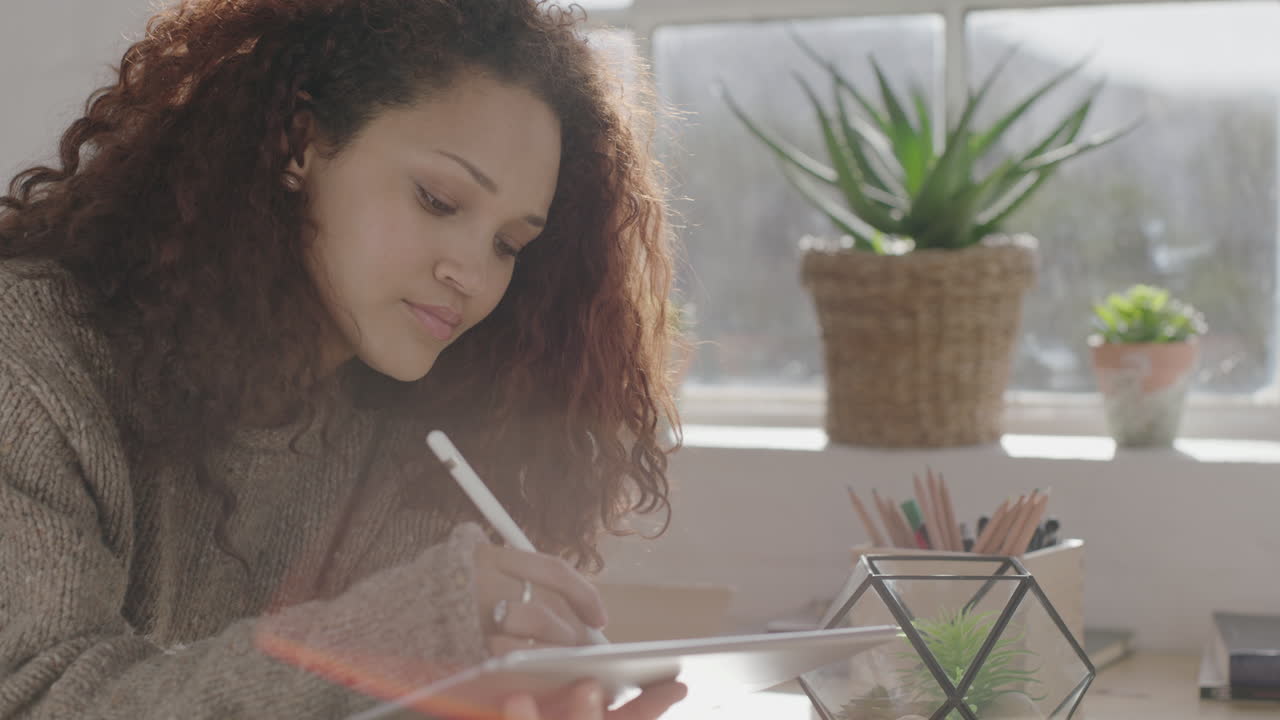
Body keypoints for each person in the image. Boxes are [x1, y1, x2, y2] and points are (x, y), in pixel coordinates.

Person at [0, 0, 686, 718]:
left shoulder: (424, 444)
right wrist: (393, 632)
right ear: (300, 142)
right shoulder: (29, 359)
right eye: (438, 199)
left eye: (509, 244)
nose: (474, 275)